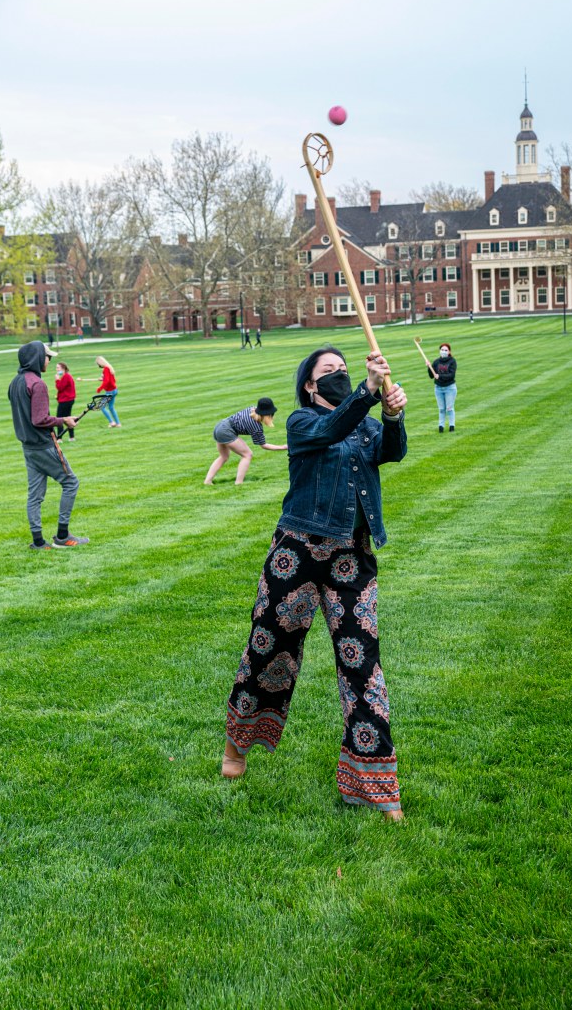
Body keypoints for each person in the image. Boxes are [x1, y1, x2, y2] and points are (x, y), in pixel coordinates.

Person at [221, 346, 408, 821]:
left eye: (346, 369)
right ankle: (237, 746)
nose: (341, 374)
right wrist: (367, 392)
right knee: (270, 651)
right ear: (309, 384)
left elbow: (392, 452)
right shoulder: (301, 424)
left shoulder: (363, 420)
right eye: (331, 371)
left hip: (352, 557)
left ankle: (378, 786)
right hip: (297, 554)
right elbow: (331, 428)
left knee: (362, 666)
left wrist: (390, 416)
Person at [8, 341, 88, 549]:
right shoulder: (38, 384)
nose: (49, 360)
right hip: (43, 446)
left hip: (28, 448)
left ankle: (38, 542)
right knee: (71, 483)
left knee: (35, 495)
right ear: (36, 358)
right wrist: (65, 420)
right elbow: (39, 419)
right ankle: (62, 536)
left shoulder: (15, 383)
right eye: (46, 356)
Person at [204, 398, 287, 485]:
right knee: (247, 455)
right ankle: (239, 483)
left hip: (220, 426)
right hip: (226, 431)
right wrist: (283, 447)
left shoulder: (252, 409)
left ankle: (208, 481)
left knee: (224, 456)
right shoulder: (256, 426)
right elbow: (264, 445)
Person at [427, 342, 457, 432]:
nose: (443, 351)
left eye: (445, 350)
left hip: (450, 388)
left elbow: (451, 375)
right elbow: (431, 376)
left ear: (449, 351)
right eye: (442, 350)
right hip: (438, 388)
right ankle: (441, 427)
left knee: (449, 408)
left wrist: (440, 376)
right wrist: (429, 367)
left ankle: (452, 426)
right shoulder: (436, 362)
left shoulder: (452, 361)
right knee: (441, 409)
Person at [95, 356, 121, 427]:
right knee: (111, 407)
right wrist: (102, 379)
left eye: (98, 364)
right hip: (114, 390)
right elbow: (110, 380)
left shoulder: (106, 369)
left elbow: (107, 381)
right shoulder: (109, 368)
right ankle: (118, 423)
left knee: (101, 406)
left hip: (110, 392)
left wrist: (99, 388)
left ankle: (111, 422)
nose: (98, 365)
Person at [54, 361, 77, 440]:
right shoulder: (66, 376)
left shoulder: (66, 376)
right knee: (68, 417)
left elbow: (60, 387)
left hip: (66, 400)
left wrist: (57, 380)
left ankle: (59, 438)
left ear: (63, 368)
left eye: (58, 368)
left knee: (59, 418)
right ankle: (71, 437)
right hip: (67, 399)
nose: (56, 369)